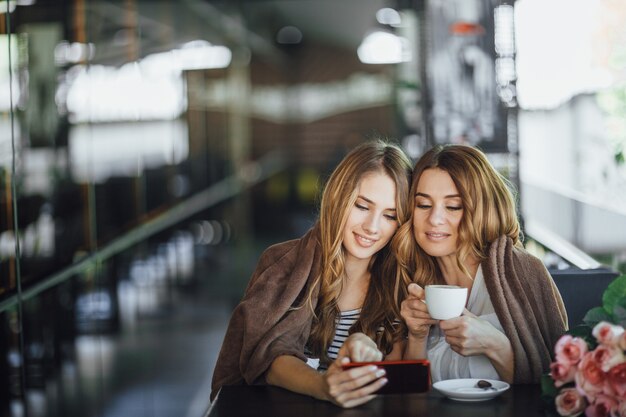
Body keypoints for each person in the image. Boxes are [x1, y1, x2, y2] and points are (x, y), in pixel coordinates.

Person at [211, 139, 413, 407]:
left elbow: (398, 379)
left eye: (390, 215)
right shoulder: (283, 262)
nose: (372, 227)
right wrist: (323, 385)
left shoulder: (400, 279)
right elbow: (267, 355)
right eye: (362, 206)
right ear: (339, 197)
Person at [393, 144, 567, 384]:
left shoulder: (521, 272)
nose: (434, 219)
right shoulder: (410, 279)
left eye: (453, 206)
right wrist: (417, 336)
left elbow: (559, 385)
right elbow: (410, 393)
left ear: (481, 210)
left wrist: (495, 345)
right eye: (423, 204)